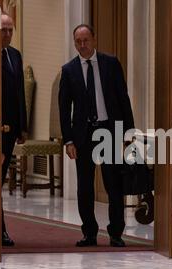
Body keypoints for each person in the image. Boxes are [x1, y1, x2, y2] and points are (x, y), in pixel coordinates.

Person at [59, 24, 135, 248]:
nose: (82, 45)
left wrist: (128, 133)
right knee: (84, 186)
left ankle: (115, 233)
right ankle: (89, 233)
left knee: (114, 184)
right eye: (78, 42)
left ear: (94, 39)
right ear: (75, 43)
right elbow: (64, 109)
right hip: (83, 135)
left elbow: (124, 99)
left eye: (86, 40)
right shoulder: (69, 70)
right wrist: (69, 140)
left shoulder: (110, 64)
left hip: (109, 131)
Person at [1, 13, 27, 247]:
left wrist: (22, 126)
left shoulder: (15, 55)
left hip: (11, 128)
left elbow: (20, 93)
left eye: (10, 30)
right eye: (3, 29)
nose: (7, 34)